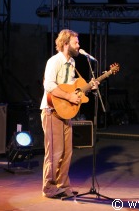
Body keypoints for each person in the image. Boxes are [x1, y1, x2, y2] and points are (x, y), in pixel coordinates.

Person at [39, 29, 99, 198]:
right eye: (76, 42)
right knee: (54, 152)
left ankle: (63, 186)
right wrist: (68, 96)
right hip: (51, 111)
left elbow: (71, 85)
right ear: (65, 44)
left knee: (67, 152)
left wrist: (88, 86)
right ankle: (49, 188)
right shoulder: (54, 61)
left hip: (65, 111)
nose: (78, 45)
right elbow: (49, 85)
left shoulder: (72, 62)